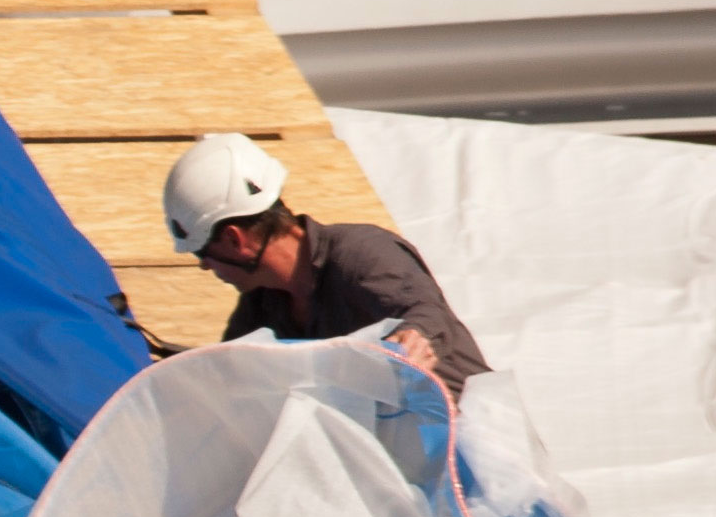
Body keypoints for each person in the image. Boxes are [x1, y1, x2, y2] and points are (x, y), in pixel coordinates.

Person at [161, 134, 488, 386]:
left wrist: (414, 339)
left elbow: (425, 312)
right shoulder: (262, 306)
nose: (205, 267)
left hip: (466, 448)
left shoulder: (361, 253)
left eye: (203, 253)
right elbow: (228, 372)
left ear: (235, 239)